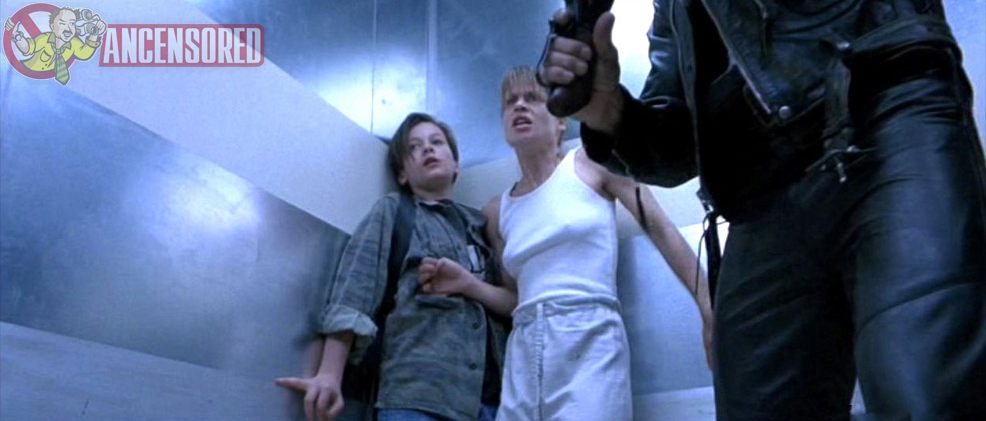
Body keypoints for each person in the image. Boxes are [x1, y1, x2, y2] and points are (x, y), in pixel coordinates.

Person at [539, 1, 986, 419]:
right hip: (760, 196)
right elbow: (677, 146)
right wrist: (611, 111)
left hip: (882, 117)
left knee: (924, 390)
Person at [456, 66, 710, 421]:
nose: (519, 106)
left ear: (561, 122)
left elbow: (661, 229)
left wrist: (707, 307)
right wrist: (467, 285)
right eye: (510, 101)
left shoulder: (594, 164)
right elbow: (514, 297)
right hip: (523, 349)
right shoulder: (498, 211)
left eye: (532, 98)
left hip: (589, 337)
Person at [276, 112, 514, 421]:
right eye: (414, 147)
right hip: (416, 399)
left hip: (492, 404)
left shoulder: (481, 225)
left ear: (456, 164)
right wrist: (330, 375)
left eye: (437, 142)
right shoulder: (395, 211)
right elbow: (355, 290)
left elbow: (512, 302)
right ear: (402, 174)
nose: (427, 149)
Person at [5, 8, 106, 84]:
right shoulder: (44, 39)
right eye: (62, 23)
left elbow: (84, 53)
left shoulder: (74, 43)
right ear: (53, 27)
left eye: (72, 24)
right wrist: (16, 36)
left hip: (50, 85)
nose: (68, 29)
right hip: (26, 76)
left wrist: (95, 33)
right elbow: (27, 48)